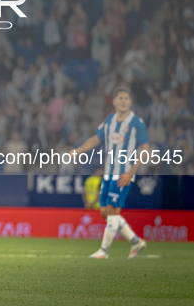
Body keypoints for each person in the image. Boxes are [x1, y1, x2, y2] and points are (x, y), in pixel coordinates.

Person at [73, 86, 148, 259]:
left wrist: (131, 172)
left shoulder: (137, 122)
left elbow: (145, 149)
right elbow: (95, 138)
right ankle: (136, 241)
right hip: (108, 174)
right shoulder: (109, 121)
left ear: (131, 102)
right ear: (114, 101)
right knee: (105, 212)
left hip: (123, 174)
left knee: (113, 211)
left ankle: (104, 250)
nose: (123, 101)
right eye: (120, 98)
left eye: (126, 98)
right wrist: (79, 150)